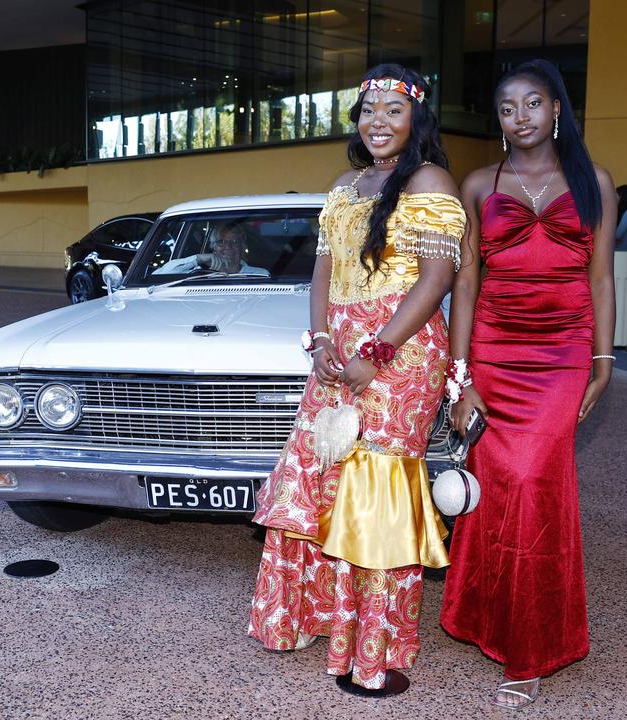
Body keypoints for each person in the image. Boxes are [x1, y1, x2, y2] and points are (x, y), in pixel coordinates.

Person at [248, 65, 464, 696]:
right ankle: (320, 618)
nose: (379, 122)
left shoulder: (430, 180)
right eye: (369, 110)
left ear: (416, 120)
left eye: (394, 111)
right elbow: (322, 273)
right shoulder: (344, 185)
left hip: (402, 352)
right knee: (319, 473)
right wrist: (318, 342)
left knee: (373, 484)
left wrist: (380, 348)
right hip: (337, 351)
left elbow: (435, 281)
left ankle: (377, 643)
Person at [443, 58, 616, 710]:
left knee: (537, 483)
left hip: (562, 354)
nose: (520, 116)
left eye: (533, 103)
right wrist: (461, 380)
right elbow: (465, 282)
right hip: (494, 351)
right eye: (509, 107)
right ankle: (497, 623)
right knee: (499, 485)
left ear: (557, 110)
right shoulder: (478, 185)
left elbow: (600, 278)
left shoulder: (592, 181)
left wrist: (605, 362)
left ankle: (532, 648)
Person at [152, 221, 269, 276]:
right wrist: (198, 258)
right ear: (213, 247)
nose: (228, 247)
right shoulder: (195, 274)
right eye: (221, 242)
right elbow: (157, 276)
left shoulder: (259, 275)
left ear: (242, 246)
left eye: (234, 242)